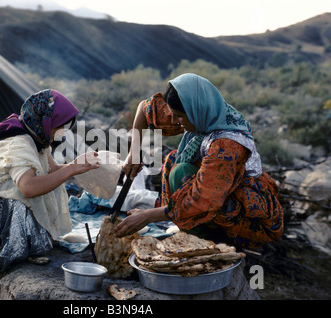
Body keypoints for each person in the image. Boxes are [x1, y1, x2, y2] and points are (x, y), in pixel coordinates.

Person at [0, 89, 101, 300]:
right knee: (24, 197)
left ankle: (22, 245)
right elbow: (28, 187)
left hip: (3, 216)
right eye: (60, 126)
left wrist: (79, 165)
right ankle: (8, 250)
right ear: (45, 120)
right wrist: (72, 169)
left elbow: (51, 170)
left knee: (43, 225)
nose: (61, 131)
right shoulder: (17, 142)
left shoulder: (36, 137)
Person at [115, 73, 284, 249]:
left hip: (243, 212)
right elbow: (145, 109)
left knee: (180, 172)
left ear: (195, 110)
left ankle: (210, 243)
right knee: (174, 159)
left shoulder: (226, 145)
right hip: (217, 192)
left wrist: (148, 215)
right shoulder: (200, 113)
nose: (174, 121)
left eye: (178, 116)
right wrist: (133, 154)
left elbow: (204, 200)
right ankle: (188, 225)